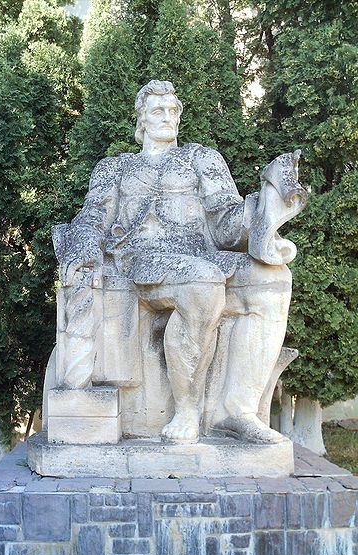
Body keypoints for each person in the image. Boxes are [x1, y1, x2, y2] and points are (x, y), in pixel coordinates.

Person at [59, 80, 305, 444]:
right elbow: (92, 217)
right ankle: (187, 412)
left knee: (272, 280)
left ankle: (238, 411)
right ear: (140, 120)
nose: (168, 117)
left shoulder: (201, 158)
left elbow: (225, 222)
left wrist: (265, 207)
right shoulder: (116, 167)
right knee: (202, 281)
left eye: (173, 110)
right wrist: (81, 245)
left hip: (201, 257)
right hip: (139, 262)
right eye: (158, 111)